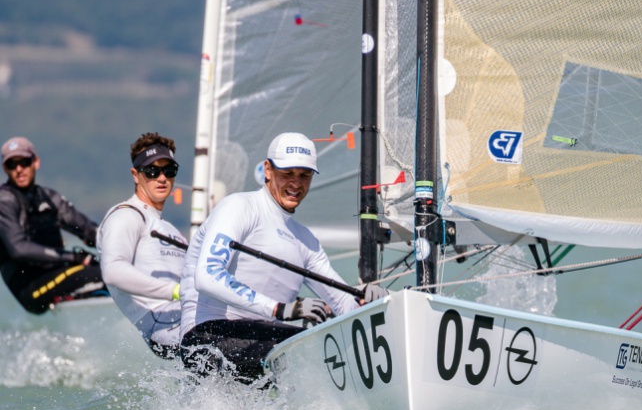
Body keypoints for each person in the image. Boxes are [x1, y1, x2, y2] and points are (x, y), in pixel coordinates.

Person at [179, 131, 387, 382]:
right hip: (207, 335)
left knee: (319, 348)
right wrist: (278, 309)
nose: (296, 183)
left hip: (262, 339)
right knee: (310, 353)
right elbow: (207, 276)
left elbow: (344, 305)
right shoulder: (239, 207)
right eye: (287, 173)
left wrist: (372, 300)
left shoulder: (305, 241)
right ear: (268, 170)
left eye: (304, 175)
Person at [96, 132, 188, 358]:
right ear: (136, 175)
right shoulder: (126, 216)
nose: (162, 178)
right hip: (163, 329)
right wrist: (175, 291)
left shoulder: (173, 231)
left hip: (188, 319)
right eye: (152, 171)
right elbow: (113, 271)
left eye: (169, 171)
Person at [0, 136, 105, 314]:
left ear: (35, 162)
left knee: (113, 269)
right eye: (12, 164)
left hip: (60, 275)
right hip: (31, 289)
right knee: (104, 273)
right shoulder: (5, 201)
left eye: (24, 162)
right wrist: (72, 257)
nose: (19, 169)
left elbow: (88, 230)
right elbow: (19, 249)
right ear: (5, 169)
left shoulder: (49, 198)